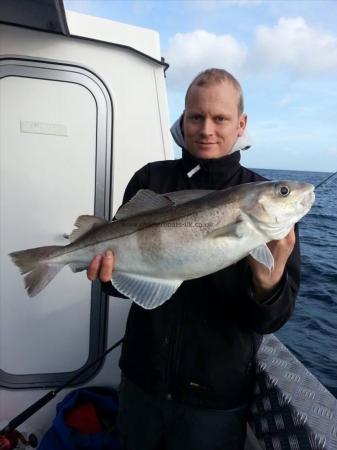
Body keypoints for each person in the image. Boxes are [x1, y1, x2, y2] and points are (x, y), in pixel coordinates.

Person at [87, 68, 299, 450]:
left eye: (220, 118)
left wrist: (269, 280)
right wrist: (106, 276)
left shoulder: (270, 215)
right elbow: (122, 289)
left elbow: (271, 320)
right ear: (182, 119)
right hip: (142, 381)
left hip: (217, 398)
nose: (206, 129)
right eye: (196, 117)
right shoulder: (151, 179)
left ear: (241, 124)